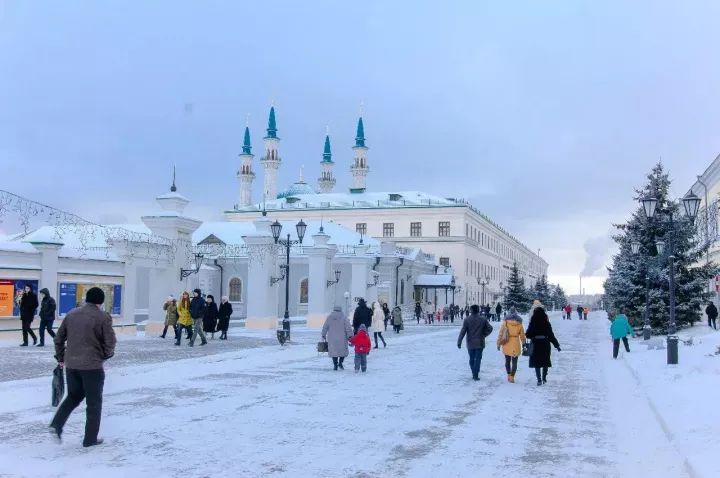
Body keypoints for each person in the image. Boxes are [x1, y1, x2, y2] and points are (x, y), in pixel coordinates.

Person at [50, 287, 116, 448]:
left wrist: (61, 357)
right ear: (101, 301)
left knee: (73, 396)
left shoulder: (71, 314)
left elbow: (58, 338)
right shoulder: (103, 317)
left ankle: (56, 424)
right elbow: (110, 341)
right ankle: (90, 439)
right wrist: (104, 355)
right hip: (92, 366)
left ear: (86, 299)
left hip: (71, 365)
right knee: (93, 402)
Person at [525, 307, 561, 386]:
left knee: (537, 362)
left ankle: (539, 380)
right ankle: (544, 378)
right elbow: (551, 335)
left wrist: (533, 335)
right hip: (545, 344)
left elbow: (528, 334)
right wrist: (557, 345)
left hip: (535, 344)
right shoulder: (546, 323)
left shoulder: (532, 322)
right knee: (545, 361)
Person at [457, 304, 493, 380]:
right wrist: (484, 334)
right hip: (480, 342)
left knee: (472, 358)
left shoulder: (467, 319)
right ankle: (475, 373)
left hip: (470, 342)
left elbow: (463, 331)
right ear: (478, 310)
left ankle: (474, 372)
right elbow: (490, 328)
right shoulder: (483, 319)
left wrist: (459, 341)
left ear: (471, 310)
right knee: (478, 359)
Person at [496, 306, 526, 383]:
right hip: (516, 342)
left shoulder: (505, 322)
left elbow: (500, 334)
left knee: (507, 360)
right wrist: (524, 343)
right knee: (515, 361)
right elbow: (522, 335)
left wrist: (498, 344)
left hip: (507, 342)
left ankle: (509, 375)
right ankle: (512, 376)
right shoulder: (519, 323)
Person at [322, 305, 353, 370]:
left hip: (332, 338)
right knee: (343, 351)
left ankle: (335, 365)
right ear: (340, 310)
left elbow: (325, 327)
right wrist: (350, 336)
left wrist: (323, 334)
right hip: (342, 338)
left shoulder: (329, 317)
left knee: (334, 352)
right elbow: (348, 328)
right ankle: (340, 363)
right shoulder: (344, 317)